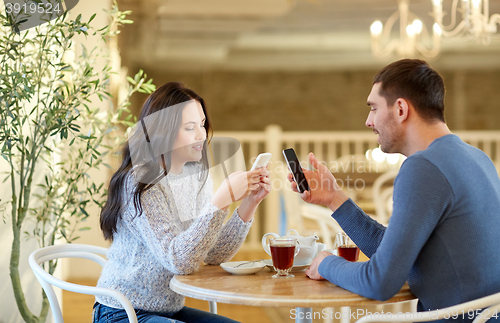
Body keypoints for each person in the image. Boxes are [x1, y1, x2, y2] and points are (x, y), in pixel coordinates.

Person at [288, 59, 500, 322]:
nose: (368, 121)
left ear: (400, 109)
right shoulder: (478, 158)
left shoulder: (423, 167)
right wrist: (335, 198)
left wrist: (326, 263)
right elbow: (394, 253)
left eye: (373, 108)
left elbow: (380, 282)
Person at [93, 82, 271, 323]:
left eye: (202, 124)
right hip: (121, 312)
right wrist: (222, 199)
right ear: (162, 132)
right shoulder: (140, 181)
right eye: (189, 128)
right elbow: (178, 260)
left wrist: (249, 204)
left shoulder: (191, 177)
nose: (201, 134)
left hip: (167, 311)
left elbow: (213, 253)